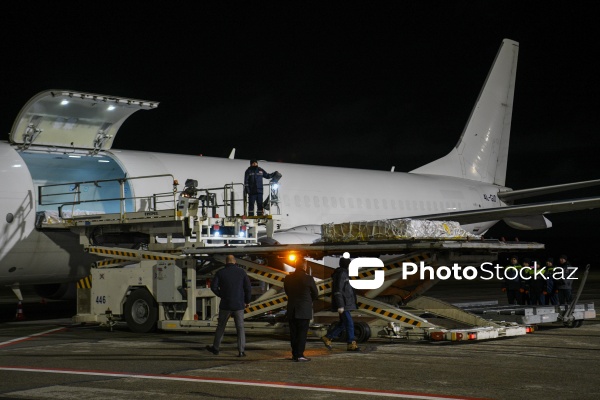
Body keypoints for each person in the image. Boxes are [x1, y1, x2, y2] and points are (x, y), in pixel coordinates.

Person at [206, 254, 252, 357]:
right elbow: (248, 288)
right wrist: (247, 301)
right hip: (239, 305)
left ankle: (216, 348)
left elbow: (213, 287)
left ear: (226, 262)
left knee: (221, 327)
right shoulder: (241, 272)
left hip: (225, 304)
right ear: (235, 262)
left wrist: (222, 295)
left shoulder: (220, 272)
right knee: (240, 328)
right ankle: (241, 351)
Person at [321, 254, 360, 351]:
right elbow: (338, 290)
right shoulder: (342, 274)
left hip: (344, 303)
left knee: (343, 324)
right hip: (343, 304)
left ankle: (328, 337)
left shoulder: (343, 273)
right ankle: (351, 343)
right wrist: (341, 305)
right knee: (349, 323)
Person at [283, 258, 319, 362]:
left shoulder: (288, 278)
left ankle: (294, 354)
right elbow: (315, 294)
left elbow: (287, 292)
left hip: (292, 309)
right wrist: (307, 301)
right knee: (302, 334)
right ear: (304, 266)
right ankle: (300, 355)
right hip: (304, 310)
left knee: (293, 333)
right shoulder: (308, 278)